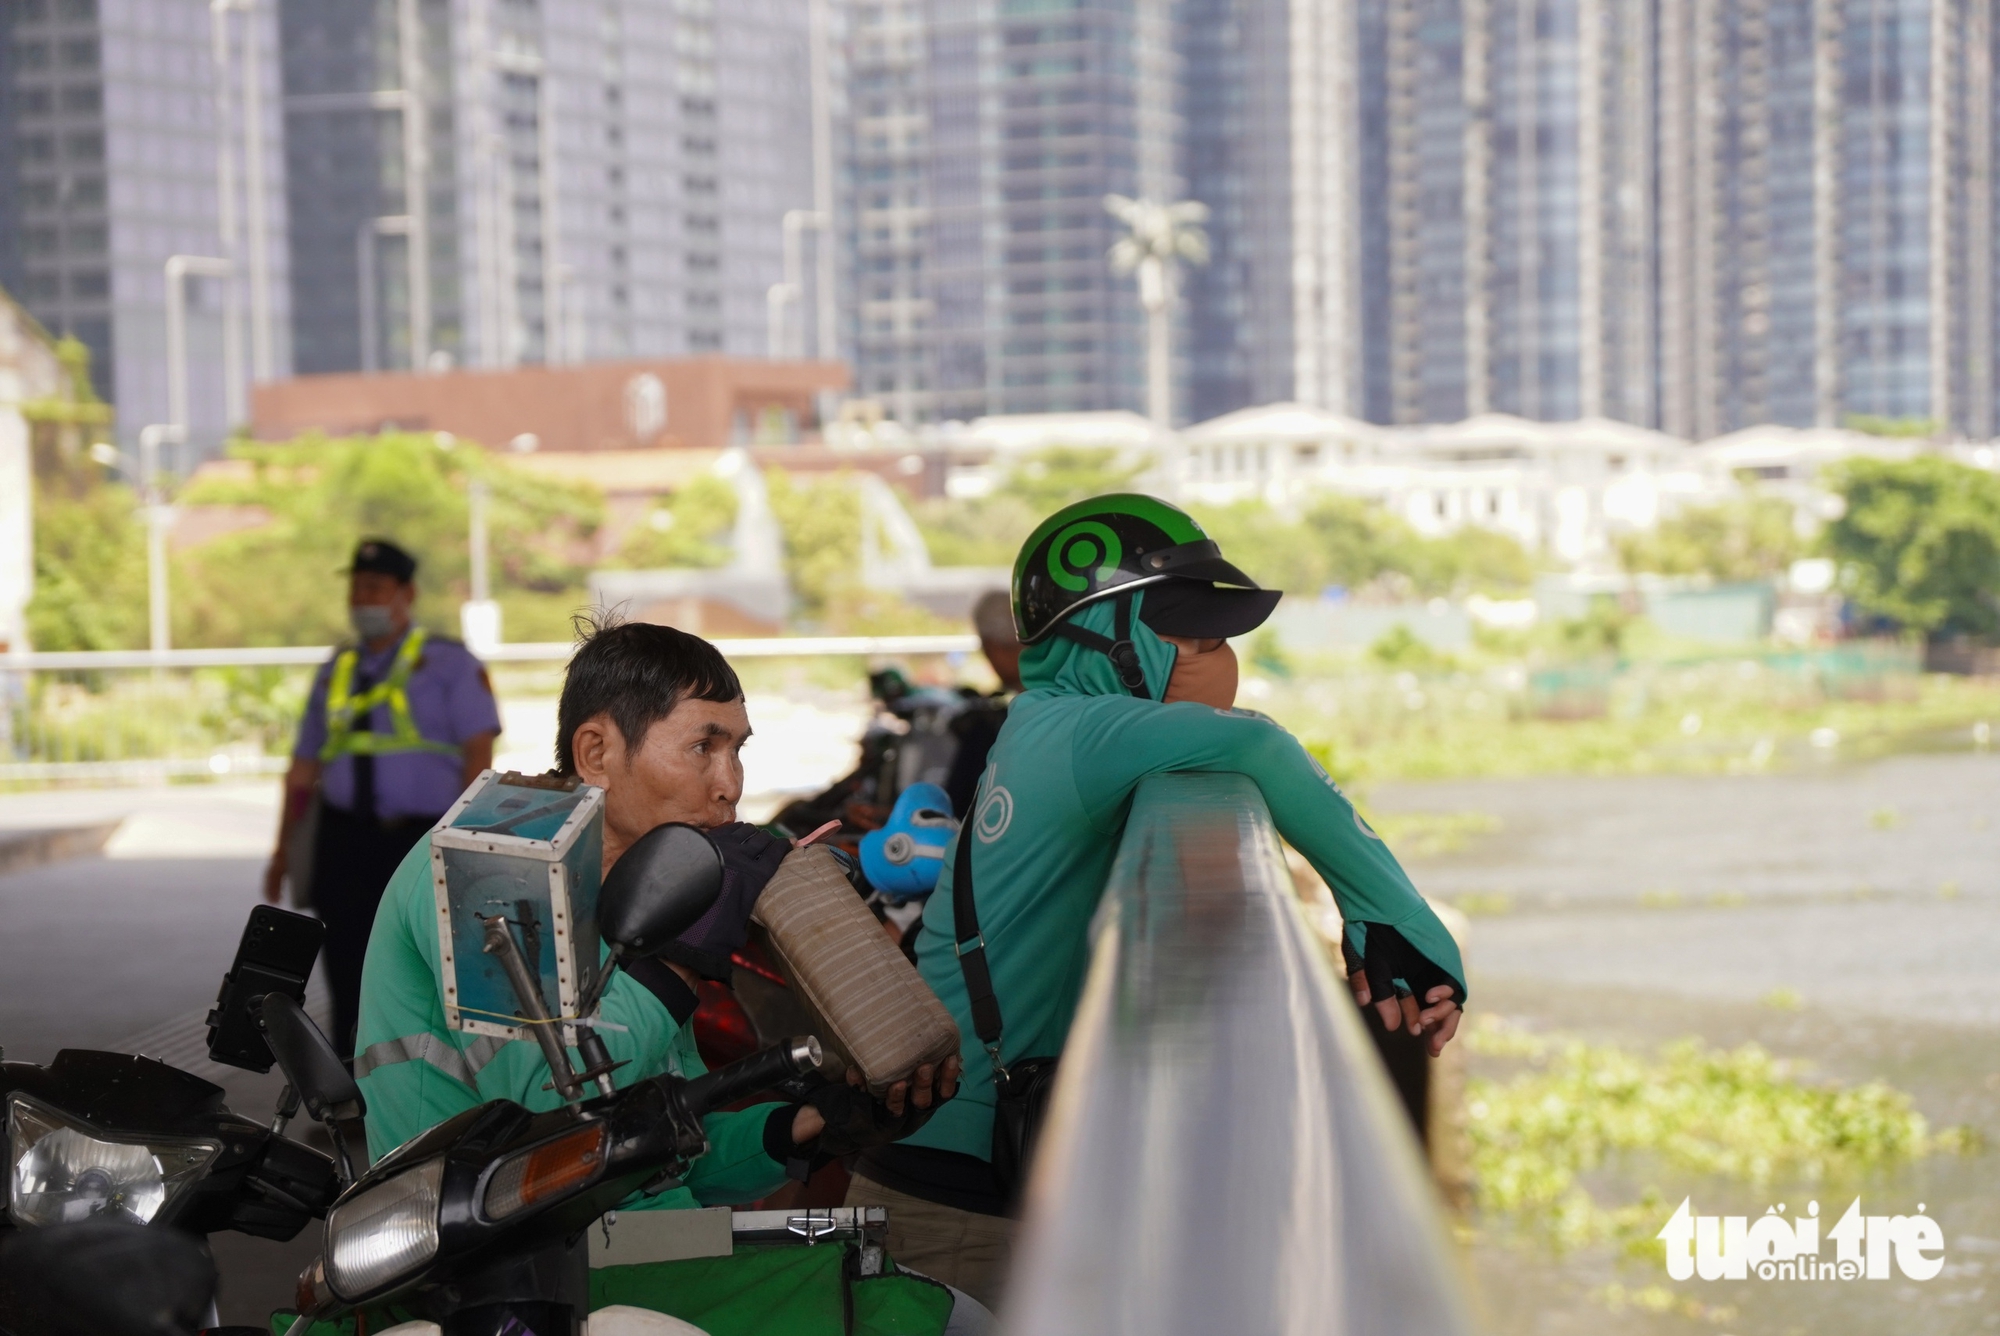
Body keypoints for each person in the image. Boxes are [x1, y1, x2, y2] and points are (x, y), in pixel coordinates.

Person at [842, 494, 1469, 1307]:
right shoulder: (1081, 733)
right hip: (946, 1203)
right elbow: (1258, 742)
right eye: (1194, 638)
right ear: (1107, 640)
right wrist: (1394, 916)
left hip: (964, 1163)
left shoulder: (1047, 722)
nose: (1220, 662)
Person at [352, 618, 957, 1211]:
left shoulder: (635, 883)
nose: (730, 786)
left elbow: (663, 1153)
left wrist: (816, 1124)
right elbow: (556, 1113)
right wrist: (682, 955)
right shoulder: (494, 854)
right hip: (483, 1266)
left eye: (736, 751)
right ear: (596, 753)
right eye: (703, 747)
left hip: (611, 1252)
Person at [263, 538, 499, 1059]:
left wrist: (467, 840)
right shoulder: (337, 669)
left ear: (406, 594)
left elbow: (478, 756)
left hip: (421, 841)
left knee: (431, 968)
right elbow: (302, 769)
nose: (361, 599)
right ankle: (353, 1085)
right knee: (347, 970)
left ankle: (439, 1086)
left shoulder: (449, 664)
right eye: (355, 588)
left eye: (374, 587)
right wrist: (282, 849)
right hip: (344, 839)